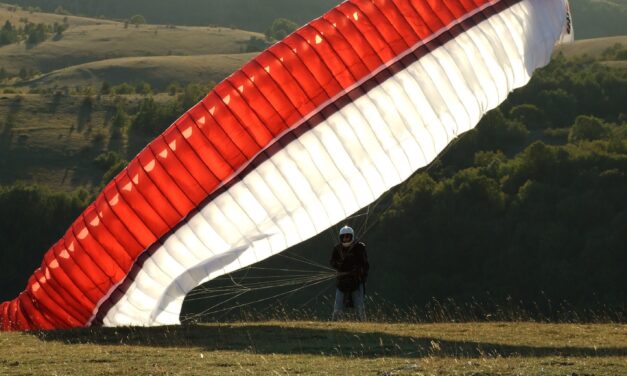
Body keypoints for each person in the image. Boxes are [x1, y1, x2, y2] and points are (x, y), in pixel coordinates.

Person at [330, 225, 369, 321]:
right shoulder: (337, 249)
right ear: (341, 237)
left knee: (359, 305)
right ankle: (334, 325)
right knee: (338, 306)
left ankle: (363, 323)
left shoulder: (359, 247)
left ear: (352, 236)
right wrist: (339, 264)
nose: (345, 238)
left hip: (356, 281)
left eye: (348, 236)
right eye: (343, 236)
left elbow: (365, 264)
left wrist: (359, 272)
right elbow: (332, 262)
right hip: (342, 282)